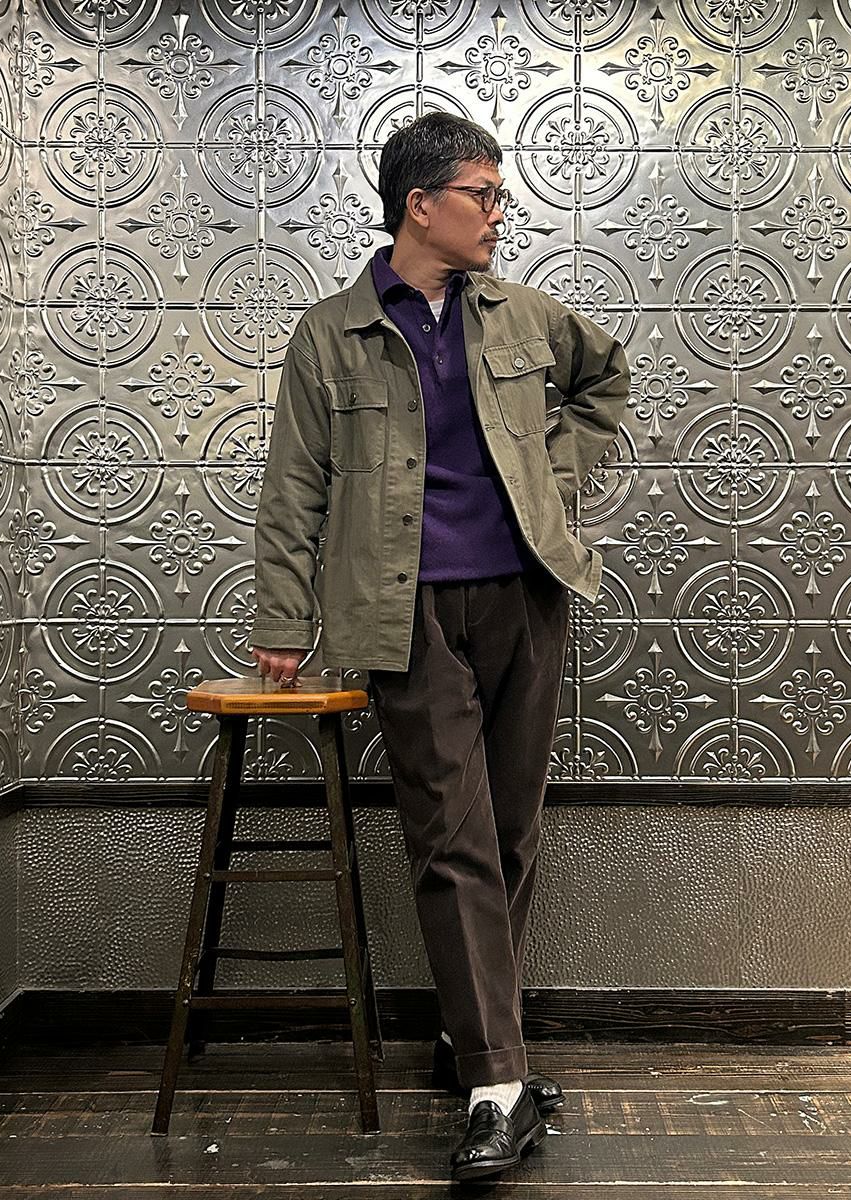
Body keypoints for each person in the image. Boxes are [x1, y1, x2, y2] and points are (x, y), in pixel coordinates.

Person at [250, 111, 629, 1182]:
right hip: (402, 615)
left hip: (525, 599)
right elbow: (293, 486)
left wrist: (552, 472)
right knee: (452, 837)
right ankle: (500, 1089)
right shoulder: (331, 333)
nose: (501, 214)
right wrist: (282, 620)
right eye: (484, 194)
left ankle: (473, 1041)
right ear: (421, 205)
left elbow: (606, 379)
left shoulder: (520, 314)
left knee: (507, 834)